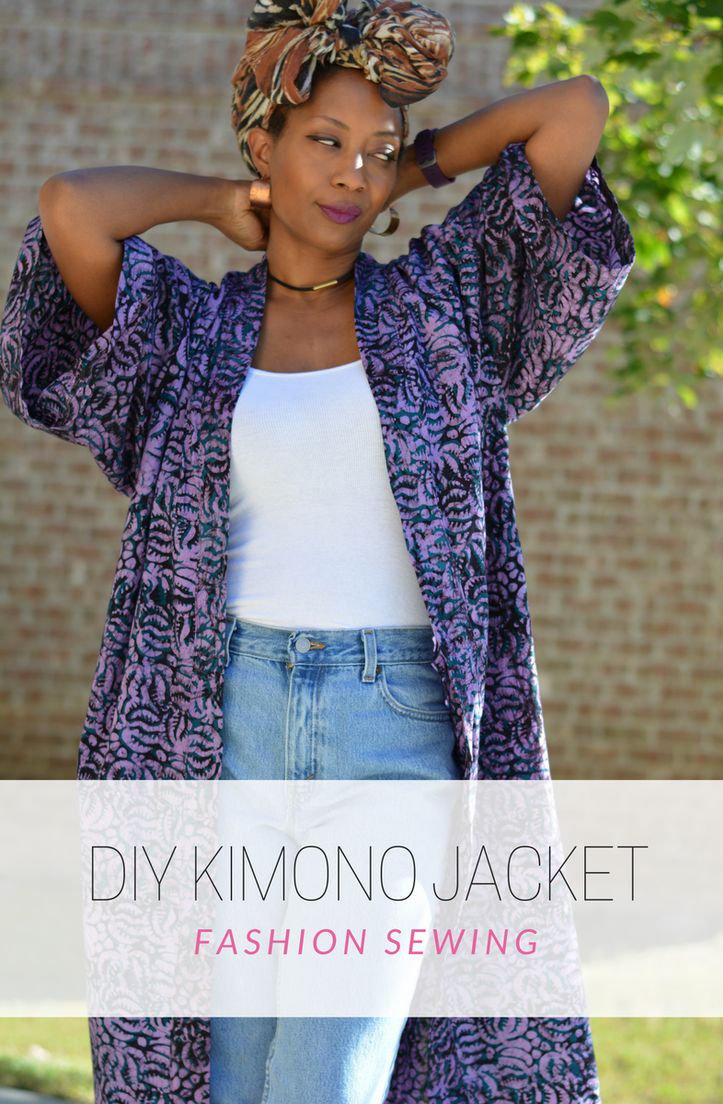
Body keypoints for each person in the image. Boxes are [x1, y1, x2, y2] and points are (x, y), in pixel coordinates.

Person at [0, 0, 636, 1099]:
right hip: (222, 726)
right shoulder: (188, 329)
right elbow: (73, 210)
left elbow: (571, 112)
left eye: (371, 152)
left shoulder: (444, 302)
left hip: (392, 733)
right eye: (324, 143)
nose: (351, 174)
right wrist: (218, 207)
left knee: (324, 1080)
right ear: (264, 145)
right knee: (227, 1078)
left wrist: (420, 163)